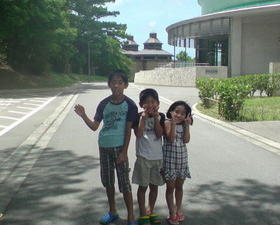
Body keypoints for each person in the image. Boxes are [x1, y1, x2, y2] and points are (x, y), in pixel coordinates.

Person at [74, 69, 138, 225]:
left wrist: (124, 152)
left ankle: (131, 217)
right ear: (109, 84)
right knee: (108, 181)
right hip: (104, 147)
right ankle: (112, 211)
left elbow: (128, 130)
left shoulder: (130, 105)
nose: (116, 85)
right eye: (113, 82)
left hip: (119, 148)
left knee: (124, 183)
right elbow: (95, 126)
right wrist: (84, 116)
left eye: (120, 83)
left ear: (126, 85)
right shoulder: (104, 104)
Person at [132, 89, 165, 225]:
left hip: (157, 157)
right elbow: (138, 134)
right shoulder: (137, 116)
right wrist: (142, 119)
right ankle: (142, 213)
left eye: (153, 102)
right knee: (143, 187)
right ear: (141, 104)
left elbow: (159, 134)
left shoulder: (161, 116)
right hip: (143, 157)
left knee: (154, 186)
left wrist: (156, 119)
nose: (150, 105)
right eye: (146, 102)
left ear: (158, 103)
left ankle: (150, 210)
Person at [162, 101, 193, 225]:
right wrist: (174, 124)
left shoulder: (184, 125)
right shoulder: (167, 122)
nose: (179, 115)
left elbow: (186, 140)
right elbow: (171, 138)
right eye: (177, 112)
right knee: (170, 188)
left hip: (181, 160)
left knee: (179, 187)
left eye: (183, 113)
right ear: (171, 112)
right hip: (169, 161)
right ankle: (171, 213)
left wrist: (187, 126)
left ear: (186, 116)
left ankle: (179, 210)